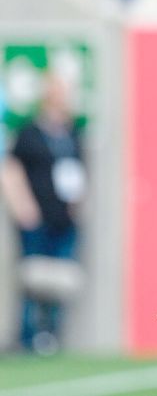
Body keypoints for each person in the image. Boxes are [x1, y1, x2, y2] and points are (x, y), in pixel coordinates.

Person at [1, 74, 86, 354]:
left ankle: (51, 335)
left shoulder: (72, 133)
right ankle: (28, 336)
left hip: (63, 218)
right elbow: (11, 169)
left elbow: (78, 172)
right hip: (35, 218)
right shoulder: (30, 133)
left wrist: (76, 205)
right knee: (32, 278)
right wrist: (23, 206)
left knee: (59, 280)